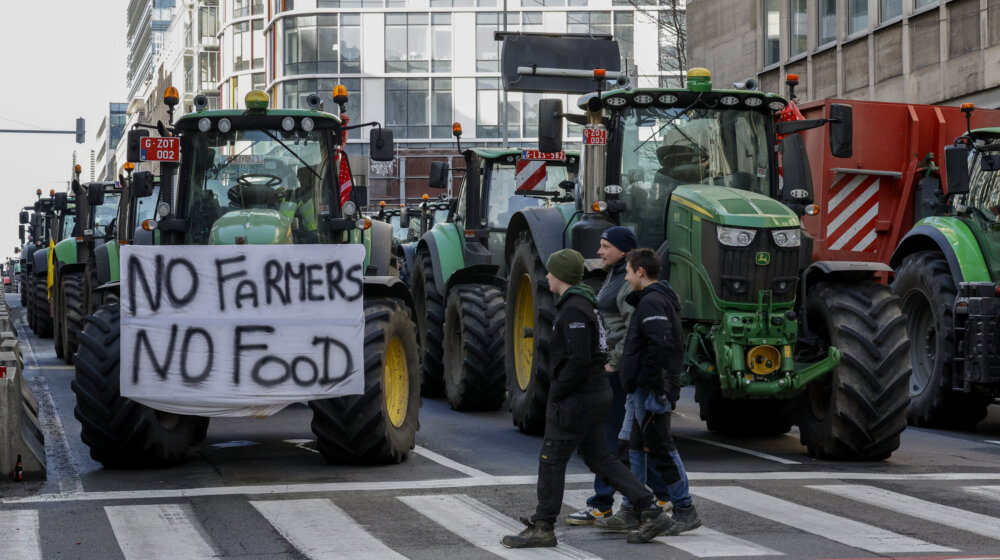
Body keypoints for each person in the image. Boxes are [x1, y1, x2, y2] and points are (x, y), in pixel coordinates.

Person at [501, 249, 674, 548]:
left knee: (551, 460)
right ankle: (650, 509)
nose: (548, 277)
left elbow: (579, 359)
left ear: (562, 276)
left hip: (578, 398)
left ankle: (543, 527)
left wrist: (556, 393)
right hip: (594, 393)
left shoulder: (574, 309)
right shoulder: (584, 305)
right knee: (601, 459)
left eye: (552, 272)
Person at [567, 226, 673, 527]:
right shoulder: (614, 277)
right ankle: (662, 495)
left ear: (623, 251)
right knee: (630, 441)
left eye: (605, 246)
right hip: (616, 369)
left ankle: (601, 505)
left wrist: (613, 364)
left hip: (617, 372)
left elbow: (631, 330)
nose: (599, 251)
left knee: (608, 441)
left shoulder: (625, 285)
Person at [618, 248, 701, 536]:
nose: (626, 278)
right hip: (648, 388)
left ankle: (684, 509)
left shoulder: (652, 302)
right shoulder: (656, 300)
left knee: (662, 448)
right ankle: (632, 509)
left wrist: (651, 385)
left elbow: (659, 346)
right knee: (638, 448)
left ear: (640, 271)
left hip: (651, 390)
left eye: (628, 271)